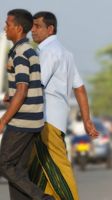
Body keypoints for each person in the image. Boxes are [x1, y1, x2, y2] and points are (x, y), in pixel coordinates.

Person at [29, 11, 99, 200]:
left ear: (50, 29)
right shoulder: (65, 53)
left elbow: (35, 86)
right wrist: (87, 120)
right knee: (37, 174)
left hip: (45, 121)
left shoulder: (48, 52)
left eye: (37, 26)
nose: (32, 30)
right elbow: (80, 88)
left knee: (59, 170)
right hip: (55, 122)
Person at [0, 9, 54, 200]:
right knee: (18, 171)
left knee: (4, 165)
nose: (5, 27)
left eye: (8, 24)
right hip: (33, 120)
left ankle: (43, 198)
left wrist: (3, 120)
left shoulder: (21, 52)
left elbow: (22, 90)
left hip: (22, 121)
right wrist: (11, 94)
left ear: (19, 28)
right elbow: (29, 84)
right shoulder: (28, 50)